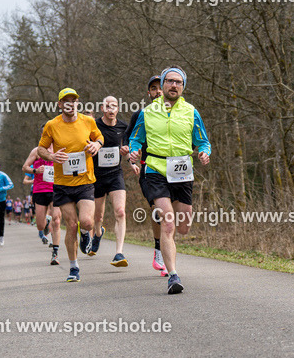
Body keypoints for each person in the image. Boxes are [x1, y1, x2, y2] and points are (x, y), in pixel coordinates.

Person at [128, 67, 210, 294]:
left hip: (182, 170)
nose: (174, 85)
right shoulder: (147, 112)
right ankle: (173, 275)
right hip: (156, 169)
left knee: (183, 228)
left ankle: (168, 240)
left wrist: (204, 152)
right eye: (170, 81)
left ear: (183, 87)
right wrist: (134, 151)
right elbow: (135, 138)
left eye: (178, 82)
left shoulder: (191, 112)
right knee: (168, 222)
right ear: (163, 84)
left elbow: (203, 141)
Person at [37, 88, 103, 282]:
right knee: (71, 225)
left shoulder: (88, 121)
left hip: (85, 181)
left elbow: (100, 137)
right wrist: (51, 156)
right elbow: (41, 148)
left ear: (77, 103)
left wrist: (96, 145)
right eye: (66, 101)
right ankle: (74, 267)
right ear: (60, 104)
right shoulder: (52, 125)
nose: (70, 104)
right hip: (63, 184)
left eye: (73, 100)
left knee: (87, 221)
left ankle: (86, 233)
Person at [123, 76, 167, 276]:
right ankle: (159, 251)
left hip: (174, 170)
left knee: (173, 214)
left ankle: (165, 249)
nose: (158, 92)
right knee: (158, 210)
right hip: (148, 169)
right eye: (153, 88)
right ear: (148, 93)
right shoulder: (141, 114)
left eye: (160, 87)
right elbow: (128, 139)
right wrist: (131, 159)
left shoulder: (179, 114)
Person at [87, 95, 130, 266]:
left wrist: (130, 160)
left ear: (118, 109)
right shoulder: (94, 125)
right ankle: (98, 233)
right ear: (102, 108)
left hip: (115, 175)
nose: (111, 109)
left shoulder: (123, 127)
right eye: (108, 106)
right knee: (98, 216)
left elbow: (128, 148)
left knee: (120, 212)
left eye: (114, 106)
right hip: (97, 176)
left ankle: (119, 253)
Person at [23, 146, 62, 265]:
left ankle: (55, 253)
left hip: (56, 189)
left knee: (57, 220)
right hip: (40, 190)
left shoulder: (60, 148)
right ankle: (46, 222)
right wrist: (35, 171)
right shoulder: (36, 151)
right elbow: (24, 167)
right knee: (40, 226)